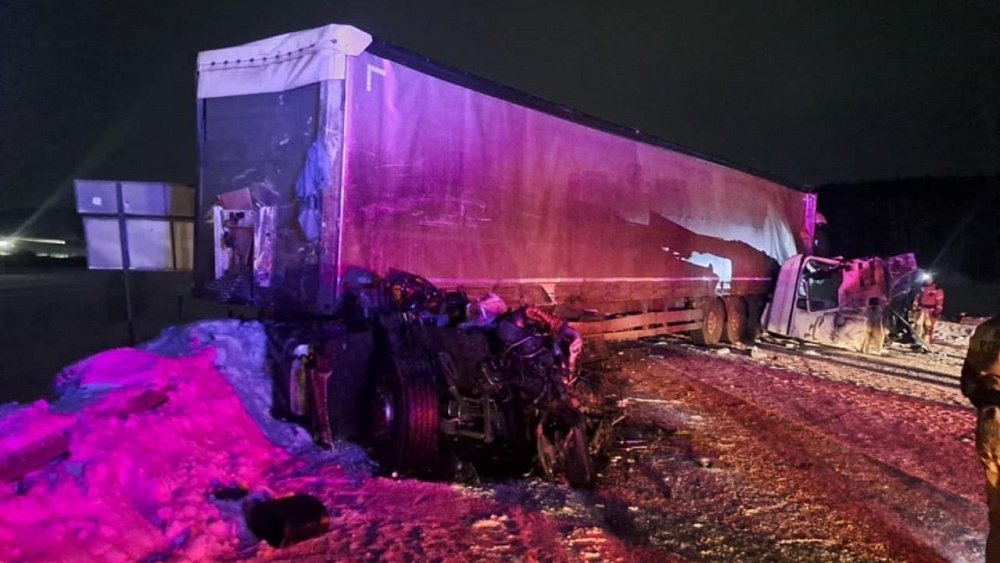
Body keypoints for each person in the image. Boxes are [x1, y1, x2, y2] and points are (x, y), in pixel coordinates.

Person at [961, 315, 1000, 561]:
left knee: (998, 518)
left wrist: (990, 404)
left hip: (991, 427)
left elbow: (968, 383)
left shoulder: (986, 329)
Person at [912, 277, 945, 345]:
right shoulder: (922, 288)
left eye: (930, 279)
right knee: (918, 325)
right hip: (921, 309)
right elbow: (917, 298)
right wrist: (915, 306)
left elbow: (940, 301)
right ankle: (917, 341)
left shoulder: (937, 290)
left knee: (928, 326)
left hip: (931, 311)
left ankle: (926, 341)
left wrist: (938, 310)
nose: (928, 280)